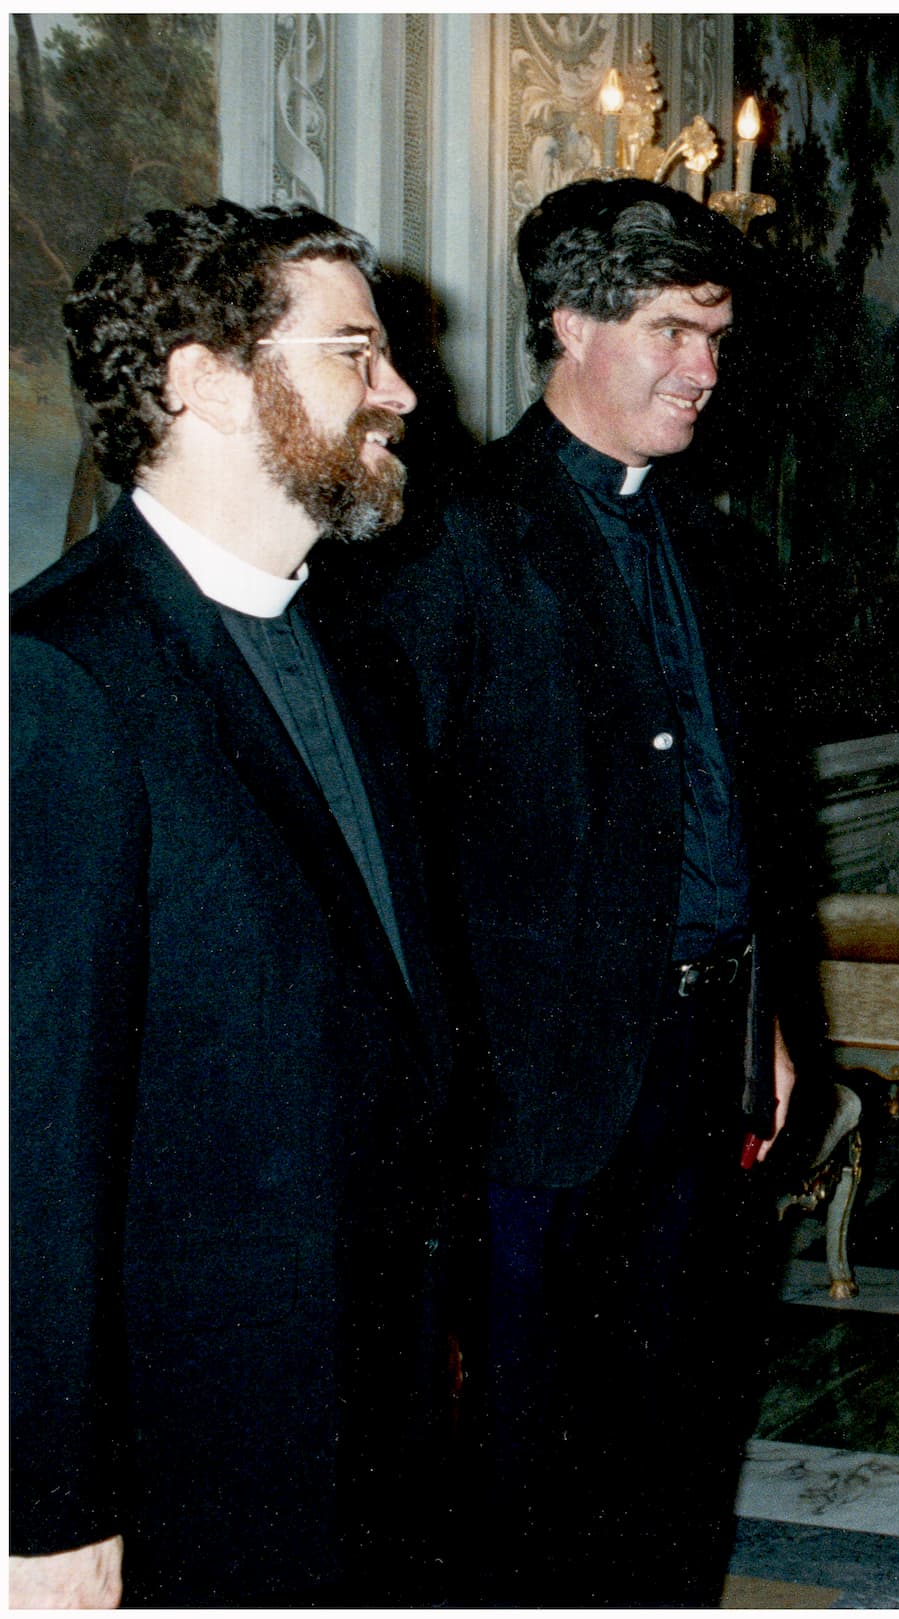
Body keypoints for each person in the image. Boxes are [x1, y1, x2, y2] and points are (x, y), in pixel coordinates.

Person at [10, 200, 449, 1605]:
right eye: (353, 353)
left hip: (371, 1384)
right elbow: (33, 1138)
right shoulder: (61, 673)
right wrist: (47, 1499)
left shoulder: (354, 639)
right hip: (189, 1429)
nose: (400, 390)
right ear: (200, 380)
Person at [378, 177, 800, 1605]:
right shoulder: (447, 541)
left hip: (700, 1076)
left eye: (719, 337)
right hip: (531, 1106)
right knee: (521, 1478)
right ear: (566, 322)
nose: (706, 369)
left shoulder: (720, 550)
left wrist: (767, 1024)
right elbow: (405, 856)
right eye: (676, 331)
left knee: (679, 1448)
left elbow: (739, 827)